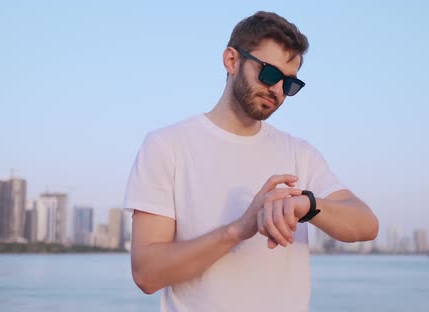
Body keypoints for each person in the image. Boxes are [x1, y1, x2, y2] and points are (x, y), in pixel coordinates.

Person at [123, 11, 379, 312]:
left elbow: (366, 224)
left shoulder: (299, 153)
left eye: (289, 83)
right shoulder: (167, 146)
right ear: (232, 61)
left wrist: (307, 205)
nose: (277, 90)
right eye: (269, 74)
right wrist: (240, 229)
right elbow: (147, 274)